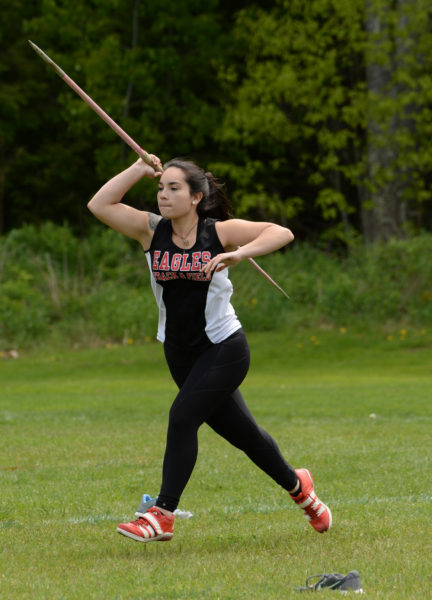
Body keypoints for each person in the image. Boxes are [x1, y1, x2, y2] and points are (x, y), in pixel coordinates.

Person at [87, 155, 332, 543]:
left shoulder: (217, 232)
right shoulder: (150, 230)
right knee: (246, 436)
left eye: (173, 188)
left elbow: (280, 232)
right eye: (160, 187)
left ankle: (162, 515)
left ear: (196, 197)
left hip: (224, 347)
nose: (163, 195)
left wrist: (240, 253)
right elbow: (99, 206)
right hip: (179, 353)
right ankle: (302, 490)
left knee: (182, 416)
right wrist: (137, 169)